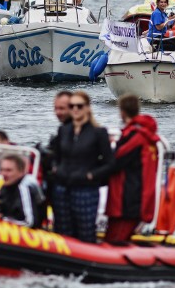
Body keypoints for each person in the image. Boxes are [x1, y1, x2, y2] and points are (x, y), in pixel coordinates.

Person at [50, 91, 114, 242]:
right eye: (72, 106)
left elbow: (110, 163)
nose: (75, 109)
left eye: (79, 106)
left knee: (85, 232)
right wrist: (56, 169)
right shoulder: (64, 130)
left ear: (87, 108)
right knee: (62, 231)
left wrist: (91, 175)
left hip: (85, 189)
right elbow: (56, 156)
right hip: (62, 187)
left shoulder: (98, 133)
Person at [104, 95, 160, 242]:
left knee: (116, 239)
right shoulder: (144, 135)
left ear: (122, 112)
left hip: (127, 201)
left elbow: (115, 161)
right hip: (132, 198)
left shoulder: (135, 137)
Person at [0, 153, 46, 228]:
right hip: (11, 226)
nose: (4, 174)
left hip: (31, 232)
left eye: (8, 170)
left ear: (21, 172)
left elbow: (29, 222)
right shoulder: (6, 185)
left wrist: (3, 219)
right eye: (2, 170)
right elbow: (0, 211)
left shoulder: (24, 187)